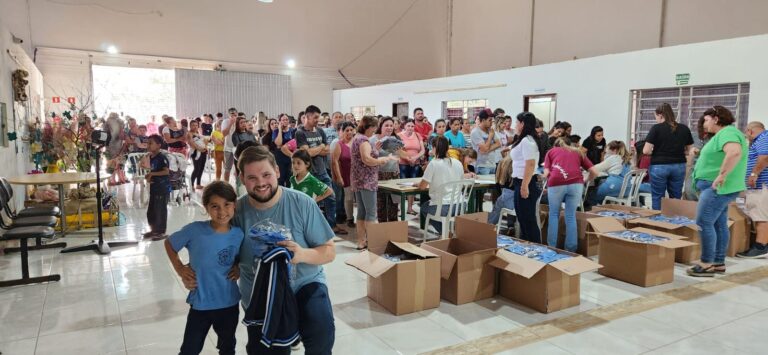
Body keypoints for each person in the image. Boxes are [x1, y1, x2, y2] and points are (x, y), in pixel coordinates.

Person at [199, 146, 336, 354]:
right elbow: (216, 251)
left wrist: (302, 254)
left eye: (266, 175)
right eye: (252, 177)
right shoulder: (235, 213)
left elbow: (329, 251)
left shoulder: (302, 203)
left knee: (321, 334)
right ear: (242, 178)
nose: (261, 183)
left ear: (278, 172)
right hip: (260, 291)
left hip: (304, 284)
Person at [164, 181, 242, 355]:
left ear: (234, 205)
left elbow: (240, 258)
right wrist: (180, 269)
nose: (222, 212)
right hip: (201, 304)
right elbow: (169, 243)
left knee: (227, 346)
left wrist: (238, 267)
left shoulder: (238, 234)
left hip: (228, 303)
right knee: (190, 349)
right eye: (215, 206)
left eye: (226, 205)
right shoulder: (194, 230)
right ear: (206, 207)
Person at [688, 106, 748, 277]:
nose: (704, 124)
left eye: (706, 120)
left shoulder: (727, 132)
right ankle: (718, 262)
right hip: (719, 187)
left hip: (717, 188)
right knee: (718, 224)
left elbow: (734, 152)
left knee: (703, 222)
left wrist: (722, 175)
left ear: (716, 118)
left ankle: (706, 263)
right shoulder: (724, 134)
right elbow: (722, 154)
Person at [296, 105, 346, 235]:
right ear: (307, 117)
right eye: (315, 117)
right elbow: (307, 153)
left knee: (331, 197)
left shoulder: (320, 131)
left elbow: (327, 150)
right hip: (309, 173)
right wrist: (320, 147)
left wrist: (316, 149)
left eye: (319, 117)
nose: (318, 120)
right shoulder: (300, 132)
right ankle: (313, 228)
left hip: (322, 171)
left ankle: (331, 225)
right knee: (312, 202)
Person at [351, 116, 398, 250]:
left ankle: (361, 241)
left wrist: (376, 151)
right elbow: (367, 159)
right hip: (367, 180)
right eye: (374, 128)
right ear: (369, 127)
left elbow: (366, 156)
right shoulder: (364, 140)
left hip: (358, 179)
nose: (374, 131)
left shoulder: (357, 138)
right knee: (371, 213)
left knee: (361, 212)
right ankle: (373, 242)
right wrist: (383, 160)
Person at [543, 137, 597, 251]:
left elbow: (546, 172)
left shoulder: (551, 152)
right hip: (576, 184)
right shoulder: (579, 152)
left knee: (553, 215)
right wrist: (586, 180)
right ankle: (571, 250)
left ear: (555, 146)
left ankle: (551, 248)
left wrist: (547, 181)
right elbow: (594, 172)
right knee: (570, 216)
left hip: (556, 183)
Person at [643, 103, 694, 210]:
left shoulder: (656, 128)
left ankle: (658, 223)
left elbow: (646, 151)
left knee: (658, 197)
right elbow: (690, 150)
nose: (656, 119)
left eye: (655, 116)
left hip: (659, 166)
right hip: (679, 166)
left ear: (660, 115)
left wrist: (659, 151)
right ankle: (674, 222)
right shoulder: (684, 128)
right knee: (675, 197)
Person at [418, 136, 473, 234]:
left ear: (434, 148)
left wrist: (418, 184)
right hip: (461, 205)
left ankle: (445, 233)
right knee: (438, 210)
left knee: (424, 208)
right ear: (448, 148)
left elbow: (422, 186)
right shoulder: (457, 163)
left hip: (442, 207)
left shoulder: (434, 163)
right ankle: (449, 232)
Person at [737, 121, 768, 258]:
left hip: (761, 184)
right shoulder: (760, 140)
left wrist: (754, 174)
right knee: (760, 214)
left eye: (746, 133)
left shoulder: (763, 137)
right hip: (759, 184)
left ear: (750, 131)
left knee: (760, 215)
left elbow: (765, 157)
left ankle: (761, 247)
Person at [511, 112, 542, 243]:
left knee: (528, 219)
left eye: (517, 122)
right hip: (520, 181)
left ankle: (536, 247)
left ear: (522, 124)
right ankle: (526, 245)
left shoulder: (527, 141)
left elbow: (530, 164)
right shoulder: (525, 140)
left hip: (526, 182)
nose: (515, 125)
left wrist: (524, 186)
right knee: (522, 217)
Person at [370, 117, 404, 223]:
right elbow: (369, 158)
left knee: (394, 203)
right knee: (381, 204)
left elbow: (400, 155)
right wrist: (376, 150)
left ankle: (394, 228)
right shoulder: (373, 139)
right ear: (381, 126)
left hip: (394, 173)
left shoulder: (396, 138)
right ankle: (383, 229)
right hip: (380, 174)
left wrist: (400, 154)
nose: (389, 128)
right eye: (386, 125)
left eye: (391, 125)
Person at [144, 135, 170, 240]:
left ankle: (160, 232)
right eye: (148, 143)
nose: (148, 145)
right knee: (152, 211)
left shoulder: (161, 157)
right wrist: (149, 175)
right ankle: (153, 230)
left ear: (159, 145)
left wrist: (152, 174)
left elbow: (166, 171)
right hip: (154, 188)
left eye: (151, 143)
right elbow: (154, 171)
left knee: (160, 211)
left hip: (162, 189)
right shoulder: (151, 157)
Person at [332, 122, 357, 227]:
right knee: (349, 197)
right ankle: (350, 218)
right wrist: (339, 177)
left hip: (359, 174)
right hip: (346, 174)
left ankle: (361, 218)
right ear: (342, 131)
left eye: (351, 130)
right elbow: (335, 162)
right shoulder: (339, 144)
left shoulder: (357, 143)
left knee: (359, 199)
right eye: (347, 130)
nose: (349, 132)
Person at [398, 119, 425, 215]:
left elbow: (422, 150)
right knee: (402, 186)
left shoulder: (418, 135)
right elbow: (398, 150)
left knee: (413, 186)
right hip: (403, 164)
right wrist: (408, 158)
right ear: (404, 126)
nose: (410, 128)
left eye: (412, 126)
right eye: (408, 126)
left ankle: (410, 208)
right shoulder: (399, 136)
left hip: (415, 164)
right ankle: (401, 209)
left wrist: (414, 158)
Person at [470, 109, 502, 175]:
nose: (491, 122)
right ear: (483, 120)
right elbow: (484, 149)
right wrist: (490, 137)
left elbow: (499, 144)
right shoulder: (475, 132)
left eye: (492, 120)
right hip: (482, 166)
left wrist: (487, 149)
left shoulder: (491, 130)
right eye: (489, 120)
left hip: (492, 164)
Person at [488, 156, 514, 226]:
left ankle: (489, 226)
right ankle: (511, 225)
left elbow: (498, 188)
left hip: (512, 203)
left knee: (500, 201)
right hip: (526, 202)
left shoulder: (503, 166)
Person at [274, 114, 296, 187]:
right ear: (280, 121)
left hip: (290, 156)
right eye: (283, 120)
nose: (285, 121)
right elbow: (278, 143)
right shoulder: (276, 131)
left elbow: (295, 144)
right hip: (280, 158)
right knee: (281, 178)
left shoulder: (293, 131)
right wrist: (280, 130)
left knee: (290, 178)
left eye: (286, 119)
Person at [188, 120, 208, 190]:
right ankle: (191, 185)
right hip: (195, 152)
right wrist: (199, 149)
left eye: (196, 125)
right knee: (196, 169)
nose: (195, 127)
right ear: (190, 126)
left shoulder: (198, 133)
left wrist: (205, 147)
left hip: (203, 151)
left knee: (201, 168)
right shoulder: (189, 133)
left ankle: (198, 184)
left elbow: (203, 141)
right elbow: (191, 143)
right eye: (193, 125)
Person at [222, 108, 238, 183]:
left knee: (238, 168)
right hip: (228, 148)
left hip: (237, 148)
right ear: (229, 115)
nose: (234, 116)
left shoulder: (239, 121)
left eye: (235, 114)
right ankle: (226, 185)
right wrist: (230, 123)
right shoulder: (225, 121)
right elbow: (224, 134)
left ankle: (238, 185)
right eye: (232, 114)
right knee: (227, 168)